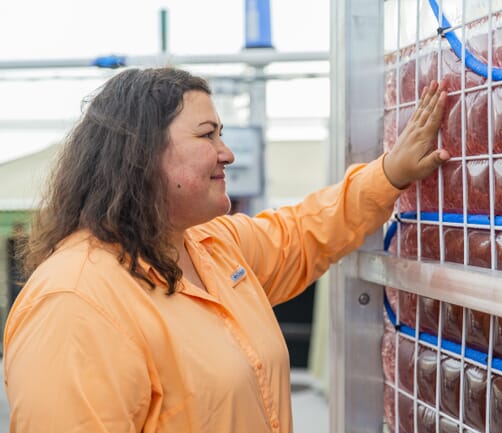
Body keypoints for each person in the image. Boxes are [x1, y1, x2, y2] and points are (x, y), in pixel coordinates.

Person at [3, 67, 448, 433]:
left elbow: (302, 233)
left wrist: (390, 174)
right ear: (139, 154)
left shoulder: (211, 247)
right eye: (207, 135)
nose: (228, 153)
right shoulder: (75, 303)